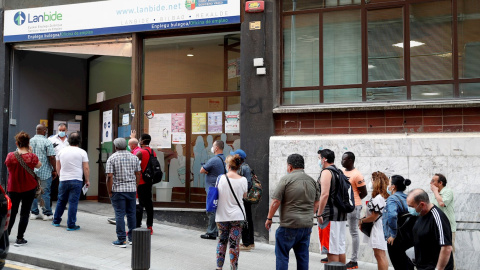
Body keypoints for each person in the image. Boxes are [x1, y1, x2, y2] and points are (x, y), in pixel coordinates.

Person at [265, 154, 320, 270]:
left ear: (290, 166)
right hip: (306, 227)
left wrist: (269, 218)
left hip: (288, 225)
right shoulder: (312, 181)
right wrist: (309, 214)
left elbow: (275, 201)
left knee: (282, 256)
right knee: (303, 257)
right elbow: (316, 203)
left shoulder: (286, 179)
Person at [5, 131, 42, 246]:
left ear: (17, 143)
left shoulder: (11, 156)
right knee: (25, 213)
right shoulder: (32, 157)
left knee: (12, 212)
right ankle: (20, 238)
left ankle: (6, 235)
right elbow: (39, 165)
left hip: (13, 188)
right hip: (29, 188)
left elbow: (7, 165)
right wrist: (29, 152)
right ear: (28, 143)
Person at [106, 138, 141, 248]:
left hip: (118, 190)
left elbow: (109, 176)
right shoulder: (133, 157)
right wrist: (136, 185)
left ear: (115, 147)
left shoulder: (112, 158)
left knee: (119, 214)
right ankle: (132, 238)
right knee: (131, 213)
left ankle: (121, 240)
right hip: (131, 189)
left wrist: (109, 191)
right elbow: (138, 173)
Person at [215, 154, 248, 270]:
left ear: (228, 166)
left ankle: (219, 268)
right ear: (238, 167)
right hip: (237, 216)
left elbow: (216, 193)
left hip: (221, 215)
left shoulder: (220, 178)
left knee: (222, 241)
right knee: (234, 244)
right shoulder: (243, 180)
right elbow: (245, 196)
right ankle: (233, 268)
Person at [407, 189, 454, 270]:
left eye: (411, 206)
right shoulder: (420, 214)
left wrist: (438, 268)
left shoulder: (437, 217)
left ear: (422, 204)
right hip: (422, 266)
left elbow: (447, 248)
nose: (409, 209)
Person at [52, 132, 90, 231]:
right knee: (73, 202)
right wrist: (87, 180)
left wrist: (61, 176)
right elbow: (86, 168)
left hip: (64, 179)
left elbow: (57, 166)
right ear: (79, 141)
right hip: (76, 179)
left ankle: (56, 221)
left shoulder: (61, 151)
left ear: (69, 141)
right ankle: (71, 224)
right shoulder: (82, 152)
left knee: (61, 200)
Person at [316, 149, 347, 264]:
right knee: (339, 249)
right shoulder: (339, 172)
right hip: (341, 215)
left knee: (331, 250)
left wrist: (319, 213)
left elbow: (324, 194)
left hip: (329, 216)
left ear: (324, 160)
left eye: (319, 159)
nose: (319, 161)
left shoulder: (326, 172)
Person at [341, 152, 367, 269]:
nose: (342, 161)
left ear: (350, 160)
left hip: (354, 207)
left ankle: (354, 261)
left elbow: (364, 192)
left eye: (344, 159)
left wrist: (354, 202)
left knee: (353, 232)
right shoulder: (342, 172)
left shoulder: (357, 175)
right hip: (343, 206)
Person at [358, 172, 389, 270]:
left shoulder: (379, 198)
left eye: (371, 179)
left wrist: (361, 221)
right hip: (378, 228)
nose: (370, 182)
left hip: (378, 228)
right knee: (380, 255)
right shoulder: (381, 196)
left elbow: (374, 216)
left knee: (380, 255)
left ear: (376, 182)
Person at [383, 175, 414, 269]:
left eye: (389, 183)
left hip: (396, 238)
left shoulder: (392, 199)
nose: (387, 186)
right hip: (408, 235)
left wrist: (392, 234)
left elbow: (392, 215)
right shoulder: (408, 197)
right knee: (406, 262)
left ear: (393, 186)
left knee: (399, 264)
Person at [29, 124, 57, 221]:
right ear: (44, 131)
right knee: (45, 193)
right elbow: (52, 157)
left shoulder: (30, 141)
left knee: (33, 192)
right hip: (45, 172)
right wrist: (55, 169)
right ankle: (47, 214)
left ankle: (34, 212)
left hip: (31, 172)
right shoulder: (47, 142)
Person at [131, 133, 156, 235]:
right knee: (149, 203)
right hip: (149, 181)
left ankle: (137, 225)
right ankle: (150, 226)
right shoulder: (153, 152)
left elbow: (133, 165)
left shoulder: (140, 152)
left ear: (141, 141)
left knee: (139, 204)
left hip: (141, 181)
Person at [200, 140, 226, 240]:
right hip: (221, 187)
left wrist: (206, 170)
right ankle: (215, 231)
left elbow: (202, 170)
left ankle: (211, 232)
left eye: (213, 145)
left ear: (216, 148)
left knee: (211, 210)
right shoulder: (224, 158)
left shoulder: (214, 159)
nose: (212, 147)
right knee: (217, 209)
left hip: (212, 189)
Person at [231, 149, 255, 251]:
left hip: (244, 198)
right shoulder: (245, 167)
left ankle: (246, 244)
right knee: (248, 218)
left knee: (245, 219)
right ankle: (250, 242)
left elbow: (248, 183)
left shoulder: (244, 168)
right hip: (246, 197)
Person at [430, 173, 457, 260]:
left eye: (433, 181)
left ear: (440, 183)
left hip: (447, 227)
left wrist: (435, 191)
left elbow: (442, 203)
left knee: (448, 252)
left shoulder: (447, 191)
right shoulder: (434, 195)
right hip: (436, 227)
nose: (430, 183)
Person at [48, 123, 69, 208]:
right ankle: (49, 204)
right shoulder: (51, 139)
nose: (61, 132)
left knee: (64, 185)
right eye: (60, 130)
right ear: (57, 130)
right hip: (54, 164)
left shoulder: (69, 140)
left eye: (63, 130)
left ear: (66, 130)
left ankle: (62, 204)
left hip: (66, 165)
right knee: (52, 185)